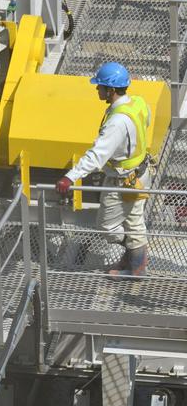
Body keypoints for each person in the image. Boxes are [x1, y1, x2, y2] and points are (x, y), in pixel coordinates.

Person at [54, 61, 151, 276]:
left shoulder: (117, 122)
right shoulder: (137, 103)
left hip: (122, 181)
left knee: (106, 226)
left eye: (100, 86)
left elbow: (96, 155)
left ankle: (137, 259)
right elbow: (147, 121)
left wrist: (70, 178)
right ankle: (137, 266)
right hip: (139, 174)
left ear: (112, 90)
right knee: (134, 223)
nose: (97, 89)